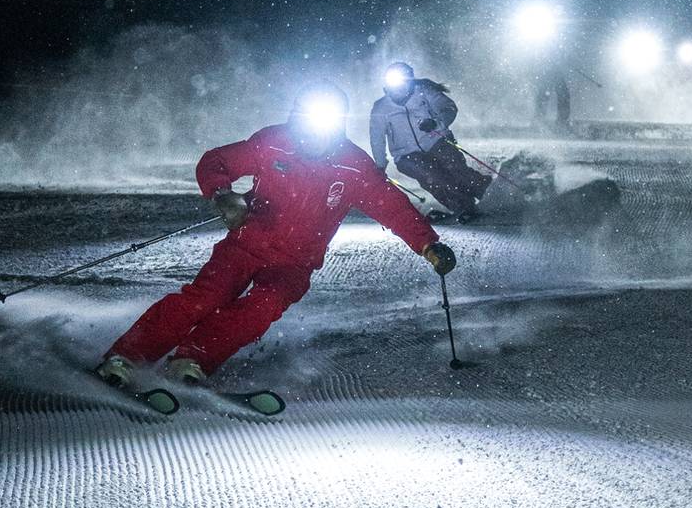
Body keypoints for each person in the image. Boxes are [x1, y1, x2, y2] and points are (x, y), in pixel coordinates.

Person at [96, 84, 455, 388]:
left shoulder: (353, 165)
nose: (312, 133)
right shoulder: (274, 142)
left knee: (262, 306)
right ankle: (126, 357)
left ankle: (194, 359)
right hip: (246, 246)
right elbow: (216, 161)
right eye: (306, 120)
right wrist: (223, 195)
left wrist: (428, 243)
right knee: (206, 297)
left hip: (294, 262)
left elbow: (392, 206)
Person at [369, 62, 490, 220]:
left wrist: (436, 123)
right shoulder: (381, 107)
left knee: (455, 166)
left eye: (402, 81)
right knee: (432, 176)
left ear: (410, 81)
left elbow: (449, 108)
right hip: (406, 154)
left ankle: (489, 194)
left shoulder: (424, 93)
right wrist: (380, 164)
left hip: (435, 140)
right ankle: (463, 206)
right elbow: (377, 138)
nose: (398, 88)